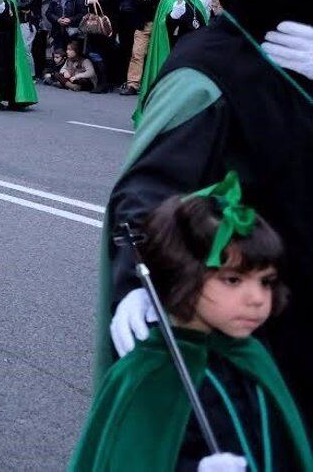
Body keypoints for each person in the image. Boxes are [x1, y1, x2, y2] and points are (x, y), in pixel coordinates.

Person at [100, 0, 313, 424]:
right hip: (252, 312)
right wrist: (142, 282)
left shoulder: (300, 55)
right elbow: (148, 192)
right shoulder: (209, 72)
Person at [72, 177, 312, 470]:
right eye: (233, 280)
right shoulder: (149, 376)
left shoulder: (252, 356)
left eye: (266, 282)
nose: (258, 299)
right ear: (183, 277)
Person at [132, 0, 209, 126]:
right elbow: (165, 27)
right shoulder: (169, 1)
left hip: (195, 56)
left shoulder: (197, 2)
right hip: (177, 54)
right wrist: (173, 17)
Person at [119, 0, 171, 96]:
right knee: (137, 53)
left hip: (161, 22)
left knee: (159, 54)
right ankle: (133, 84)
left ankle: (159, 84)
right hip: (144, 21)